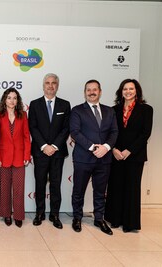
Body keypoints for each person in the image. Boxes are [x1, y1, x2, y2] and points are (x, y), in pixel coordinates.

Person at [70, 79, 118, 235]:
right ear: (85, 93)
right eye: (88, 90)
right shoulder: (77, 110)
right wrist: (93, 147)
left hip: (104, 158)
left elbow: (114, 132)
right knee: (78, 190)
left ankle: (99, 218)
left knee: (100, 191)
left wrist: (106, 147)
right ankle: (77, 218)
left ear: (100, 91)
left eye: (94, 89)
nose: (91, 92)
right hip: (83, 157)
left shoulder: (109, 111)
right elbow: (75, 132)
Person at [104, 79, 153, 232]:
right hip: (116, 154)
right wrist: (114, 150)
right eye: (125, 89)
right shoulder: (113, 110)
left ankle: (130, 223)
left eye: (131, 89)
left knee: (132, 188)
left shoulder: (146, 109)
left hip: (135, 155)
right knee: (116, 187)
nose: (128, 91)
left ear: (137, 91)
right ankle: (114, 219)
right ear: (121, 91)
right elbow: (109, 132)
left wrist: (129, 151)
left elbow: (145, 134)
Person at [28, 73, 71, 229]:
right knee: (40, 184)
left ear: (57, 85)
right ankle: (40, 213)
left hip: (57, 152)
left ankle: (55, 214)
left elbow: (66, 128)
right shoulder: (34, 104)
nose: (50, 85)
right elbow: (32, 127)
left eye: (53, 83)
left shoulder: (65, 105)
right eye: (47, 83)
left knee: (56, 184)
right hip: (40, 152)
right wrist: (44, 146)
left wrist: (54, 146)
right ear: (43, 85)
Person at [0, 88, 30, 228]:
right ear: (4, 100)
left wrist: (27, 155)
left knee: (19, 189)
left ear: (18, 100)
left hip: (20, 158)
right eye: (9, 97)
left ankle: (18, 216)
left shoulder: (23, 115)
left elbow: (27, 137)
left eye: (15, 98)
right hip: (3, 157)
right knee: (5, 188)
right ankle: (6, 214)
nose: (12, 100)